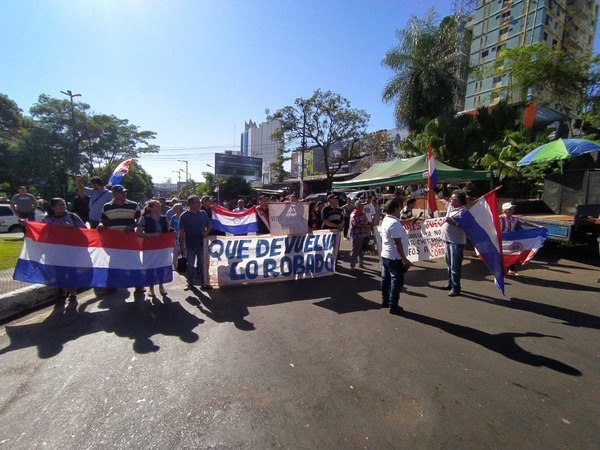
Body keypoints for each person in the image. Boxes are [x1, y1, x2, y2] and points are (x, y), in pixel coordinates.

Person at [43, 197, 87, 301]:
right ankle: (62, 292)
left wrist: (71, 227)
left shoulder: (72, 216)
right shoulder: (47, 219)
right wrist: (25, 224)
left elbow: (84, 230)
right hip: (56, 249)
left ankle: (73, 292)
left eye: (64, 204)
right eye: (60, 205)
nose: (63, 207)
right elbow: (39, 229)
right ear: (53, 207)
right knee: (59, 271)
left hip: (71, 249)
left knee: (71, 270)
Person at [380, 199, 412, 315]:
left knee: (386, 279)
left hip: (386, 255)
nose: (400, 210)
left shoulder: (387, 219)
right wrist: (405, 260)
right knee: (396, 281)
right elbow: (397, 243)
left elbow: (400, 223)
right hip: (395, 257)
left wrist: (411, 220)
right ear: (395, 209)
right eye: (399, 208)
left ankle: (385, 300)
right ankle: (393, 305)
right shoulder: (394, 223)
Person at [136, 199, 170, 298]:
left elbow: (166, 232)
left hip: (161, 247)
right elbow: (138, 233)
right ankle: (151, 288)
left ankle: (161, 286)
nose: (159, 208)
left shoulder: (163, 218)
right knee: (150, 267)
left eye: (160, 206)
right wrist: (153, 235)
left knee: (161, 266)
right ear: (150, 208)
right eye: (156, 206)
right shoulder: (144, 219)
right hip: (149, 247)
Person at [499, 202, 543, 276]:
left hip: (511, 239)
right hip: (501, 239)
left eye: (512, 209)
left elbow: (525, 223)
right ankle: (499, 270)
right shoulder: (499, 218)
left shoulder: (515, 218)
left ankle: (511, 270)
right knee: (500, 255)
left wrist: (537, 226)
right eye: (509, 209)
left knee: (512, 253)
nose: (512, 211)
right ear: (504, 210)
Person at [179, 195, 212, 291]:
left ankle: (204, 282)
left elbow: (209, 225)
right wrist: (181, 247)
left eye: (199, 202)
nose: (199, 204)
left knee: (202, 264)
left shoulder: (203, 213)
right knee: (190, 265)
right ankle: (190, 283)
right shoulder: (184, 216)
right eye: (196, 202)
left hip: (202, 244)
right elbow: (181, 233)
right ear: (190, 204)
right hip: (190, 245)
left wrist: (206, 233)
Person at [441, 190, 468, 297]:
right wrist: (432, 191)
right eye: (451, 198)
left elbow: (465, 226)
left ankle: (456, 288)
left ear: (460, 201)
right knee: (448, 263)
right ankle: (450, 283)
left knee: (455, 266)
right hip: (447, 239)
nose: (451, 200)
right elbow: (442, 200)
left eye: (454, 199)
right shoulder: (451, 207)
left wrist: (452, 222)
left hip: (456, 241)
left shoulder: (464, 211)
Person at [349, 201, 371, 270]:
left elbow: (366, 221)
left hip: (364, 234)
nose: (363, 207)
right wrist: (365, 225)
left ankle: (361, 263)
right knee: (355, 251)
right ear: (357, 206)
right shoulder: (354, 214)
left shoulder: (363, 214)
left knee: (362, 251)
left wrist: (367, 224)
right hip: (357, 235)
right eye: (361, 206)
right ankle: (352, 265)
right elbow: (355, 224)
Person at [169, 203, 185, 270]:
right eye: (174, 209)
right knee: (175, 251)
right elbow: (171, 226)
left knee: (184, 250)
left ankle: (184, 263)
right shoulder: (173, 217)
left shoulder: (184, 216)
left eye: (176, 209)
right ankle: (174, 265)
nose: (175, 210)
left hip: (184, 235)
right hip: (175, 236)